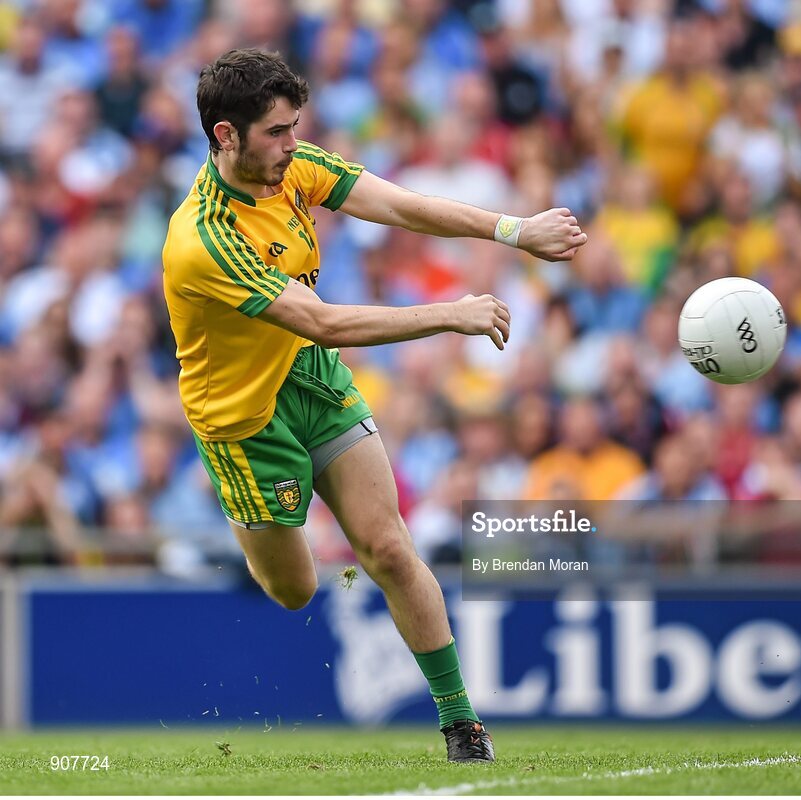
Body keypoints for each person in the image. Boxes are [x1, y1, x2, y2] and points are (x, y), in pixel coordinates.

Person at [161, 48, 586, 763]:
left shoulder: (291, 167)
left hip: (311, 380)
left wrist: (512, 231)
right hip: (242, 421)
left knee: (387, 546)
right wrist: (450, 313)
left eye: (295, 127)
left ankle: (462, 726)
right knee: (294, 590)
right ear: (225, 136)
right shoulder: (203, 238)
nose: (292, 144)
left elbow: (397, 205)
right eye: (275, 132)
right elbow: (324, 320)